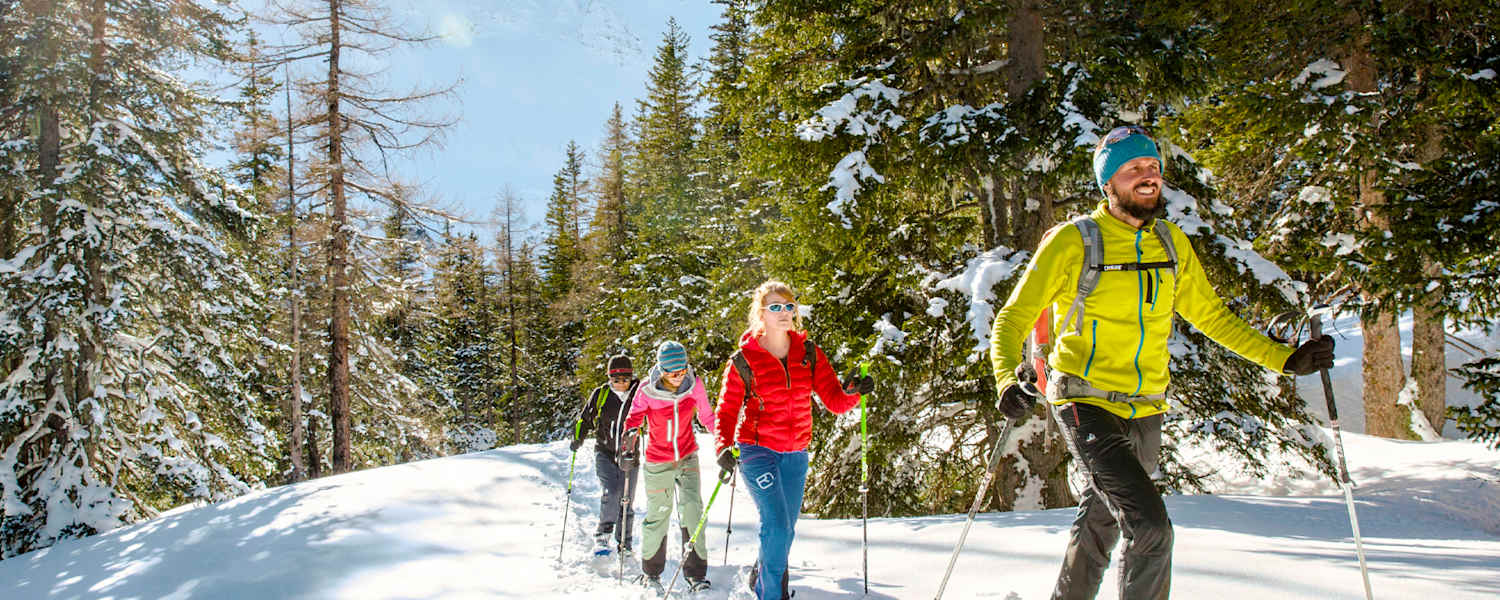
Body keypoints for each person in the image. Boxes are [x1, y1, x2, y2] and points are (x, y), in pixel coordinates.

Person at [988, 125, 1336, 600]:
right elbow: (1013, 318)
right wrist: (1007, 379)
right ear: (1108, 183)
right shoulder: (1074, 242)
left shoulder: (1170, 244)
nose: (1147, 176)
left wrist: (1285, 359)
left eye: (1152, 167)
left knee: (1100, 521)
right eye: (1133, 169)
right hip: (1083, 400)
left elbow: (1212, 317)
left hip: (1147, 406)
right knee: (1151, 529)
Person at [713, 280, 874, 600]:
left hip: (796, 454)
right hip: (757, 450)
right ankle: (771, 594)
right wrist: (722, 447)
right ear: (761, 313)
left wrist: (855, 392)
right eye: (776, 307)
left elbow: (834, 401)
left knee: (785, 529)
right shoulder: (744, 359)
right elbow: (727, 409)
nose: (784, 312)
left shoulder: (808, 353)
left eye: (789, 306)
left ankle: (762, 571)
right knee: (777, 525)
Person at [621, 340, 717, 592]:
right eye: (674, 373)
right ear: (662, 370)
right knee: (658, 515)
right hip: (658, 460)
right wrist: (629, 436)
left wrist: (724, 439)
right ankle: (651, 574)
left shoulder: (693, 385)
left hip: (687, 456)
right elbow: (634, 416)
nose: (679, 377)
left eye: (683, 370)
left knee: (693, 511)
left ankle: (696, 575)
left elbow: (707, 415)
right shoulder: (646, 390)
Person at [569, 354, 640, 555]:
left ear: (631, 378)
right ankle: (603, 534)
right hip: (605, 452)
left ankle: (624, 542)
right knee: (612, 492)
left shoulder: (638, 395)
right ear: (609, 379)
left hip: (630, 455)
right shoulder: (601, 394)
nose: (620, 384)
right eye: (615, 380)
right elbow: (585, 419)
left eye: (625, 380)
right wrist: (578, 438)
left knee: (627, 499)